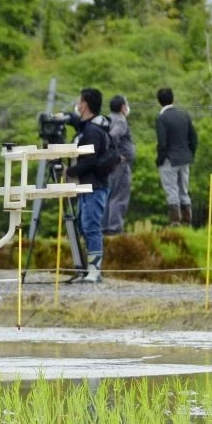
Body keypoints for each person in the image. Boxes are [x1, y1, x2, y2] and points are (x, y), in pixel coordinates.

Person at [63, 88, 112, 283]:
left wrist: (70, 172)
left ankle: (94, 270)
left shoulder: (92, 130)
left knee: (91, 226)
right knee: (84, 226)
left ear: (85, 104)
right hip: (87, 186)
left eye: (79, 101)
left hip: (94, 185)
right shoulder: (89, 127)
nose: (77, 104)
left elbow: (90, 160)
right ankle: (88, 268)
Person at [155, 87, 198, 226]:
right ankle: (187, 221)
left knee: (171, 190)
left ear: (159, 101)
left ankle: (175, 222)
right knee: (183, 190)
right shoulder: (184, 114)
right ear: (173, 98)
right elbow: (194, 137)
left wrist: (160, 160)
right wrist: (191, 153)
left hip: (169, 159)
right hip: (185, 157)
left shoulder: (162, 118)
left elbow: (162, 142)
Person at [103, 95, 136, 235]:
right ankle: (115, 227)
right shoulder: (120, 120)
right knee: (119, 196)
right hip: (120, 164)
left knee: (109, 195)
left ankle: (104, 226)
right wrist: (116, 155)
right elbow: (112, 136)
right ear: (123, 107)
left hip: (109, 164)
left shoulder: (107, 119)